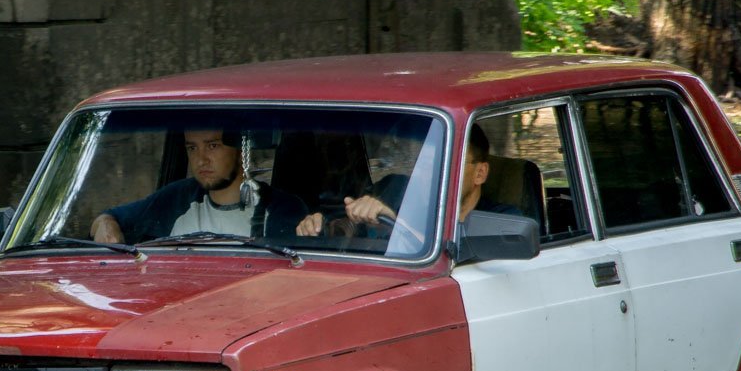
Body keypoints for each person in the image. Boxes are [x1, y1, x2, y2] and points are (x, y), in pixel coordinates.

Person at [294, 124, 518, 237]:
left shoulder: (504, 220)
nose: (429, 174)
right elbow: (348, 229)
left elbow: (455, 258)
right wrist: (319, 226)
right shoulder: (395, 191)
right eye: (424, 164)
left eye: (445, 164)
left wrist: (395, 224)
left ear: (480, 173)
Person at [91, 129, 307, 243]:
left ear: (240, 149)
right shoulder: (177, 198)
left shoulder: (282, 208)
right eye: (192, 148)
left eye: (212, 146)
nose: (201, 159)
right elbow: (110, 217)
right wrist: (105, 224)